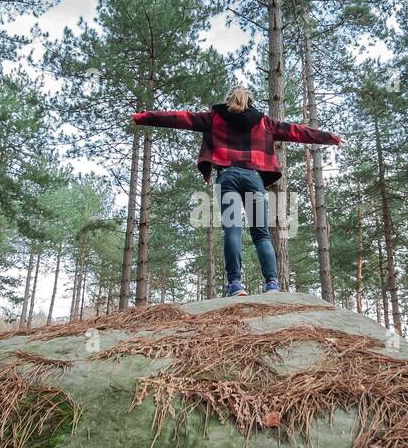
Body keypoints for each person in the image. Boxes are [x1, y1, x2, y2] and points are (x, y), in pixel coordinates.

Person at [132, 84, 342, 295]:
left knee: (233, 229)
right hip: (253, 178)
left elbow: (178, 118)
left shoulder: (214, 117)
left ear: (228, 101)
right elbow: (296, 131)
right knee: (261, 234)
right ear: (250, 102)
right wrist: (328, 137)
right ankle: (272, 284)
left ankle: (235, 285)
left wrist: (144, 117)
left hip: (228, 177)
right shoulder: (263, 122)